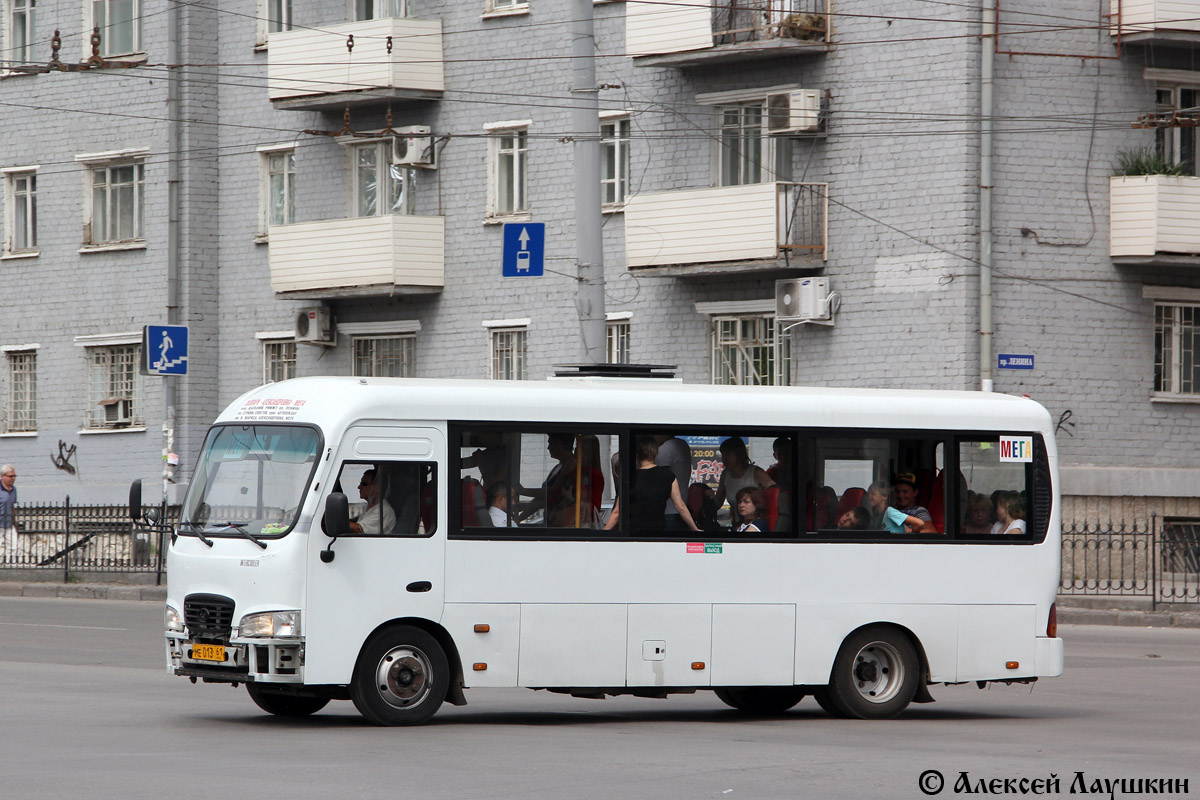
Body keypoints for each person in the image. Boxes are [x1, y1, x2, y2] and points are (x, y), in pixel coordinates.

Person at [604, 437, 699, 533]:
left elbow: (617, 511)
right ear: (655, 453)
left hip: (635, 532)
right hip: (658, 531)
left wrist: (604, 532)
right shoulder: (668, 475)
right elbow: (681, 507)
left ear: (637, 455)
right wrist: (694, 528)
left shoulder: (630, 478)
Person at [714, 437, 775, 528]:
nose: (724, 458)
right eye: (723, 454)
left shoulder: (756, 473)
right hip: (738, 525)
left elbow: (775, 495)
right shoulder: (725, 475)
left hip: (756, 525)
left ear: (739, 454)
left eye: (728, 454)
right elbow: (718, 502)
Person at [653, 434, 692, 532]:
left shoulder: (666, 448)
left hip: (668, 510)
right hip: (681, 509)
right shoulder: (682, 444)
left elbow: (656, 476)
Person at [865, 481, 936, 534]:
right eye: (897, 492)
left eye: (905, 492)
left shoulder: (918, 511)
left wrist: (909, 533)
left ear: (915, 492)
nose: (900, 495)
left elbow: (927, 529)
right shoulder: (881, 513)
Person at [349, 468, 396, 534]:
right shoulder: (372, 506)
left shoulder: (383, 510)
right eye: (360, 483)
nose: (359, 487)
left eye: (364, 484)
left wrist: (337, 522)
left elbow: (359, 529)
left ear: (377, 488)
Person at [0, 464, 16, 556]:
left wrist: (14, 522)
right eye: (11, 476)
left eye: (14, 476)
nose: (13, 478)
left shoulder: (13, 490)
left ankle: (9, 566)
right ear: (3, 476)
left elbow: (12, 506)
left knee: (14, 546)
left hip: (9, 524)